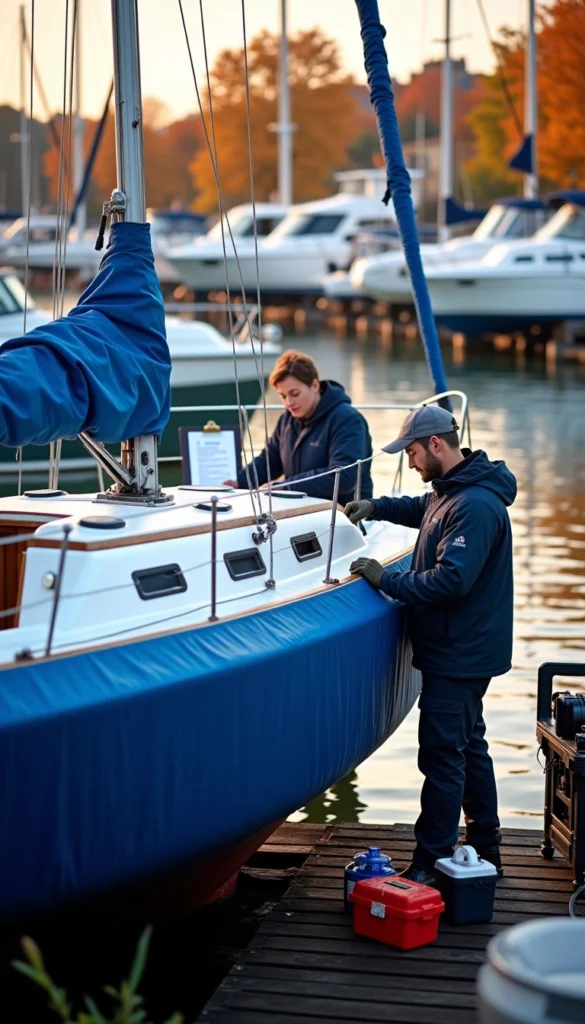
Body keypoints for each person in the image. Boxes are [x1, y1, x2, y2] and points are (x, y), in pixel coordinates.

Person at [345, 405, 516, 883]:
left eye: (414, 453)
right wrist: (378, 507)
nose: (412, 463)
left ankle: (428, 864)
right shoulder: (453, 491)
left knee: (441, 755)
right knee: (469, 746)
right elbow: (425, 510)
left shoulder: (476, 506)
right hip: (462, 647)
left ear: (436, 445)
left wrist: (386, 580)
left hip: (459, 653)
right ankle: (487, 847)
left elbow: (450, 581)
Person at [224, 349, 373, 506]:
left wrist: (286, 486)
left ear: (314, 385)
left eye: (294, 393)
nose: (289, 402)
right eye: (283, 396)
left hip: (344, 517)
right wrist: (238, 483)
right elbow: (269, 461)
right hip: (300, 512)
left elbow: (344, 478)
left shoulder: (348, 420)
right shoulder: (287, 420)